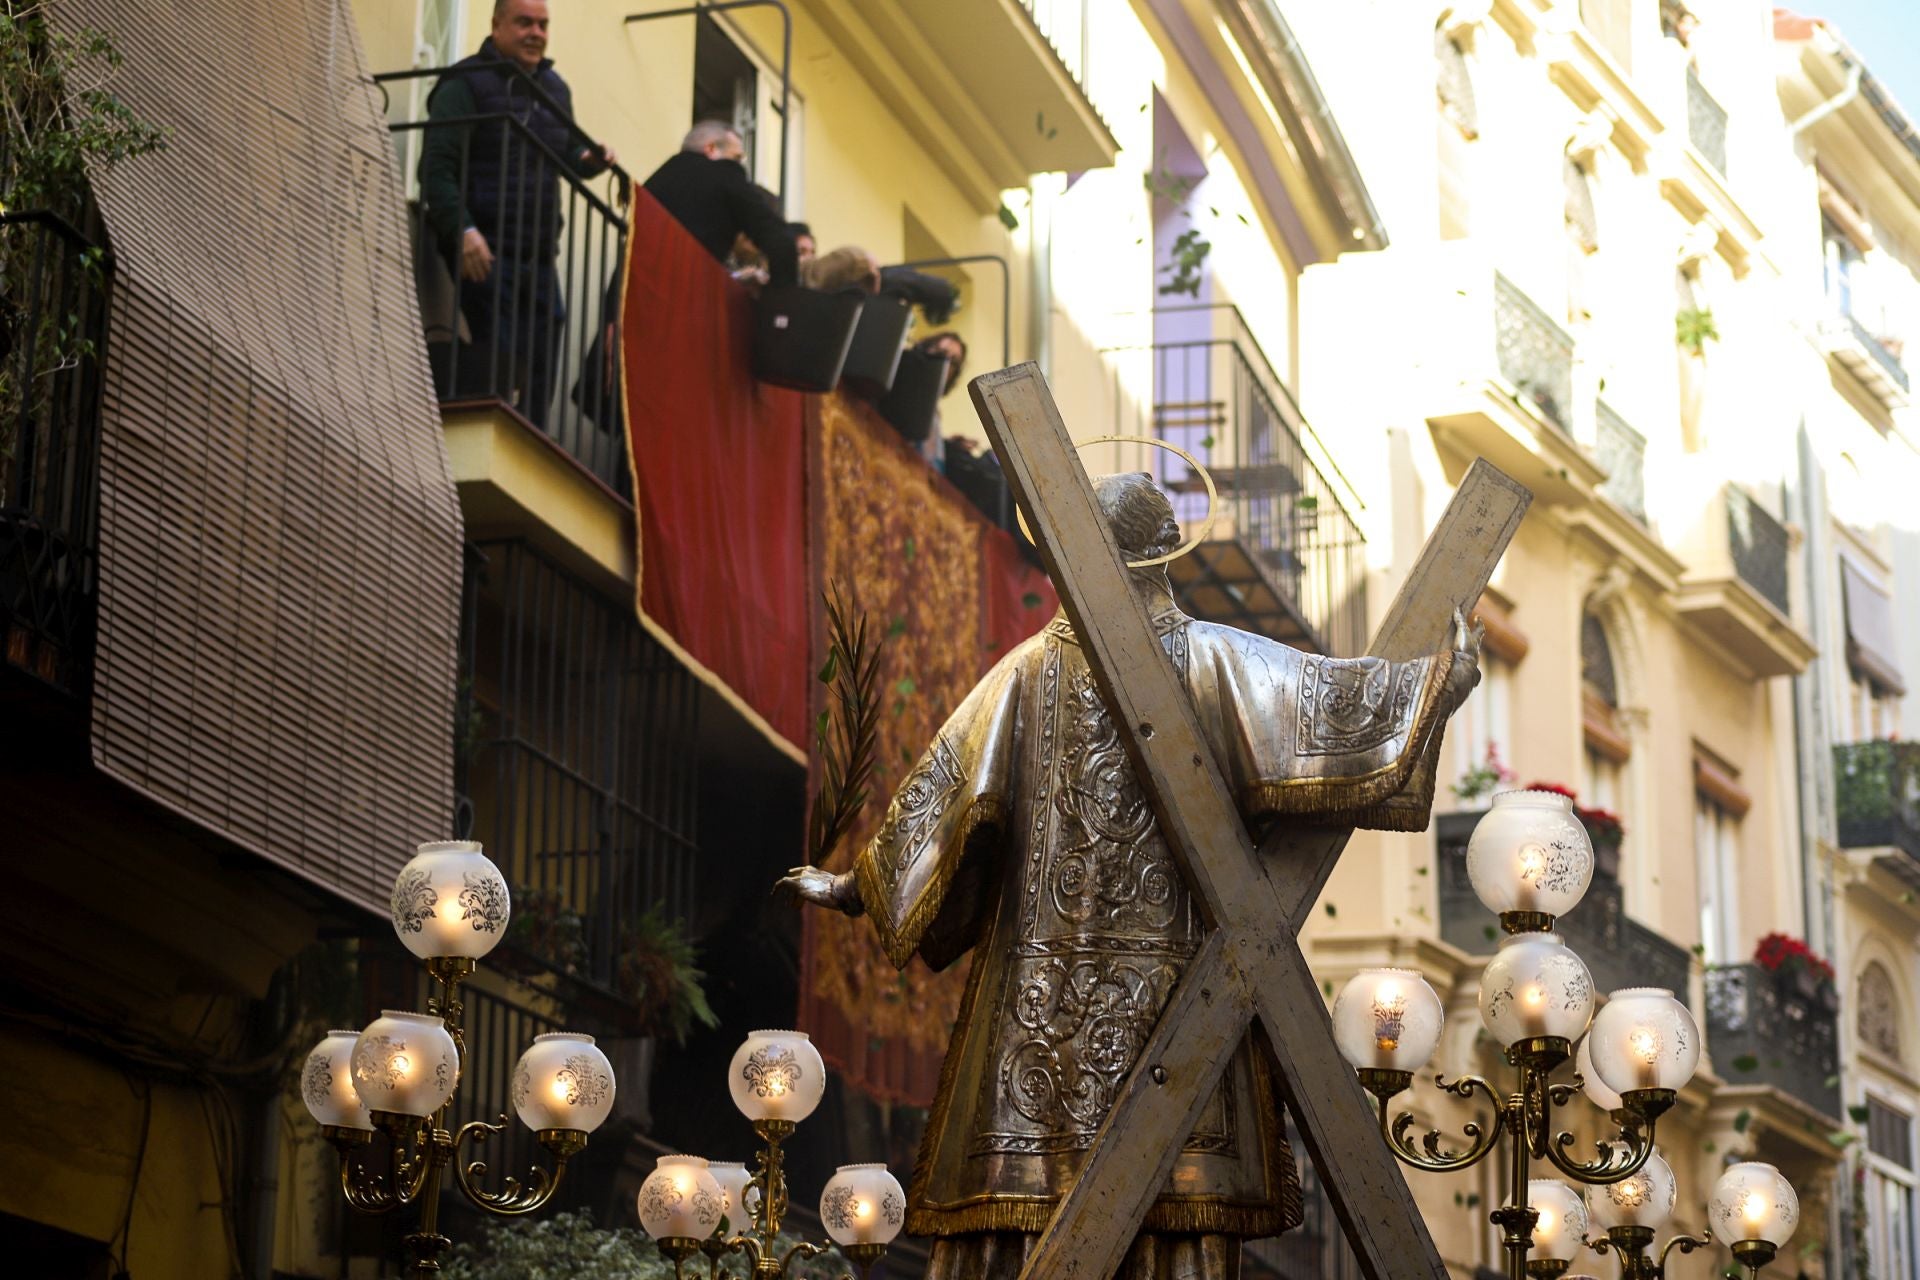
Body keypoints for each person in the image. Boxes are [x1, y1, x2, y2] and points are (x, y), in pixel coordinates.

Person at [779, 471, 1483, 1279]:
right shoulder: (1205, 661)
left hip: (1052, 1005)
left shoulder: (1033, 672)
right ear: (1161, 556)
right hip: (1176, 996)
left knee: (1038, 1213)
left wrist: (858, 886)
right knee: (1165, 1217)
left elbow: (943, 796)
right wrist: (1439, 682)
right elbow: (1327, 702)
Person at [419, 0, 614, 427]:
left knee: (543, 353)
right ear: (496, 25)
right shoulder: (465, 83)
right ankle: (500, 430)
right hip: (486, 249)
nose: (536, 33)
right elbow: (437, 168)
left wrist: (590, 160)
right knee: (501, 354)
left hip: (539, 256)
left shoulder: (554, 88)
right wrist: (463, 230)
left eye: (543, 25)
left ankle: (529, 438)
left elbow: (565, 155)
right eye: (524, 23)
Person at [642, 122, 798, 287]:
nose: (739, 166)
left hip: (632, 290)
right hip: (685, 293)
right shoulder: (725, 174)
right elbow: (780, 240)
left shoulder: (657, 179)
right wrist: (781, 300)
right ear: (711, 149)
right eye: (736, 157)